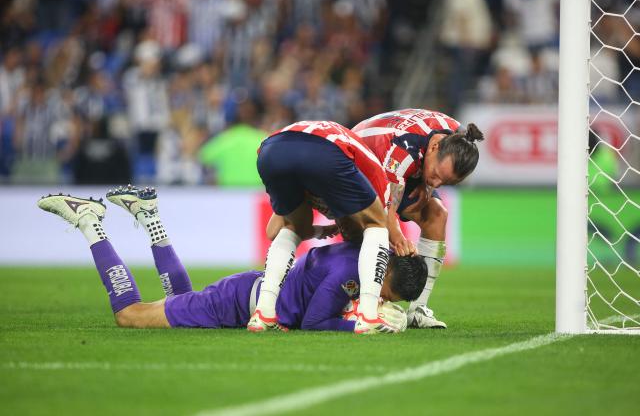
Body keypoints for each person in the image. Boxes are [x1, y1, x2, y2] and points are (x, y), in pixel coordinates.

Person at [36, 186, 426, 332]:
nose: (380, 298)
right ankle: (88, 220)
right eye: (388, 294)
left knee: (178, 302)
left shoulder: (363, 250)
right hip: (238, 303)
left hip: (246, 292)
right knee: (130, 315)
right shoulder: (349, 272)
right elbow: (313, 321)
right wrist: (364, 325)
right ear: (387, 269)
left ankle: (148, 215)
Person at [250, 120, 392, 335]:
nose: (345, 235)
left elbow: (274, 232)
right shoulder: (377, 186)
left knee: (293, 227)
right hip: (324, 149)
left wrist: (318, 231)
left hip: (271, 150)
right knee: (377, 224)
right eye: (352, 235)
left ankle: (264, 314)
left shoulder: (322, 181)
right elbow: (381, 224)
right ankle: (368, 315)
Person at [352, 109, 485, 329]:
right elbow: (387, 211)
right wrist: (399, 238)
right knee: (374, 228)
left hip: (398, 166)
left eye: (445, 182)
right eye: (436, 175)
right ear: (434, 148)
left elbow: (430, 177)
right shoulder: (404, 150)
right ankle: (362, 302)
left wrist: (427, 182)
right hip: (359, 160)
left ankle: (418, 309)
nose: (437, 184)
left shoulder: (460, 139)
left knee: (438, 214)